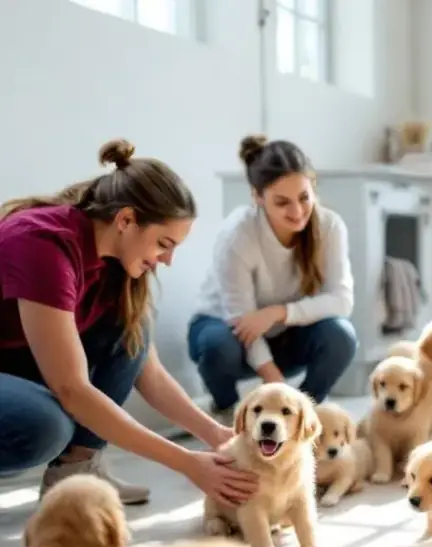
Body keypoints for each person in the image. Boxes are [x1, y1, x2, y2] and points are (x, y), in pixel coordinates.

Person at [0, 139, 258, 510]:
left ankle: (76, 476)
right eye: (163, 243)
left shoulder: (115, 262)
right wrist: (187, 464)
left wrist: (215, 434)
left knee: (133, 331)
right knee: (44, 426)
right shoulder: (42, 244)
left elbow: (148, 373)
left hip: (17, 360)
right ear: (125, 220)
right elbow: (71, 389)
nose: (167, 260)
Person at [187, 136, 356, 419]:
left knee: (341, 336)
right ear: (257, 197)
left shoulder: (330, 227)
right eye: (282, 202)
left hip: (283, 332)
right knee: (219, 347)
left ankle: (306, 416)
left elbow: (342, 301)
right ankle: (228, 410)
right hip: (228, 331)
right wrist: (279, 389)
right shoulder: (238, 235)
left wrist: (278, 313)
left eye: (304, 197)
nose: (297, 211)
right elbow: (244, 323)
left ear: (313, 186)